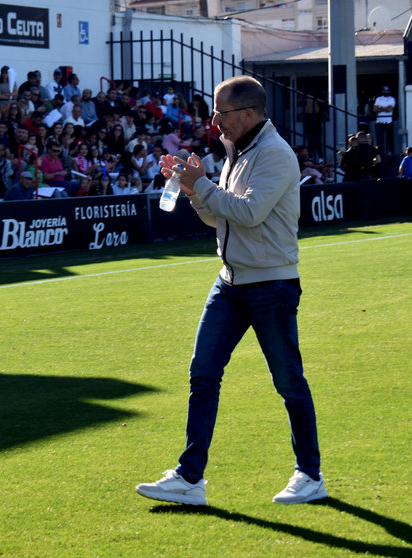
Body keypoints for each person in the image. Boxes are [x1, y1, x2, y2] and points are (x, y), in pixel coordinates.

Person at [135, 76, 325, 507]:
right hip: (231, 281)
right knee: (202, 374)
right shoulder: (237, 151)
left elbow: (251, 213)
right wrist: (194, 191)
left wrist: (203, 186)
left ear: (248, 114)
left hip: (270, 283)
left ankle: (310, 476)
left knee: (289, 382)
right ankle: (189, 478)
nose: (214, 119)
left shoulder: (274, 153)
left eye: (221, 112)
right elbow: (220, 218)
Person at [372, 86, 395, 156]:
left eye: (387, 90)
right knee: (380, 140)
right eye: (384, 90)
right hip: (379, 121)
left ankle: (390, 153)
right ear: (382, 91)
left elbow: (390, 109)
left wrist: (380, 107)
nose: (386, 91)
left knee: (389, 139)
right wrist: (385, 108)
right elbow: (375, 109)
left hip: (389, 122)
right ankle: (381, 154)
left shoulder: (392, 99)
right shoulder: (379, 99)